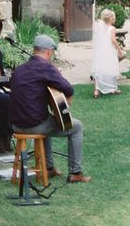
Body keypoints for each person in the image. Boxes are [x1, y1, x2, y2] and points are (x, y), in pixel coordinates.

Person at [9, 35, 90, 183]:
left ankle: (49, 168)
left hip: (16, 125)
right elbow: (68, 88)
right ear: (49, 52)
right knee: (77, 127)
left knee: (46, 120)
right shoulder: (46, 68)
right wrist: (65, 106)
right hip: (34, 126)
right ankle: (75, 173)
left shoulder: (19, 70)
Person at [92, 8, 123, 97]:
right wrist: (119, 48)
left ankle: (96, 90)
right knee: (111, 68)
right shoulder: (112, 28)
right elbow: (113, 40)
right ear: (111, 19)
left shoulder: (99, 27)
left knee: (100, 68)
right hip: (109, 51)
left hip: (101, 51)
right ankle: (113, 88)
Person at [0, 17, 12, 154]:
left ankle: (7, 135)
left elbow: (1, 78)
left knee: (17, 97)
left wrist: (16, 80)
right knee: (7, 101)